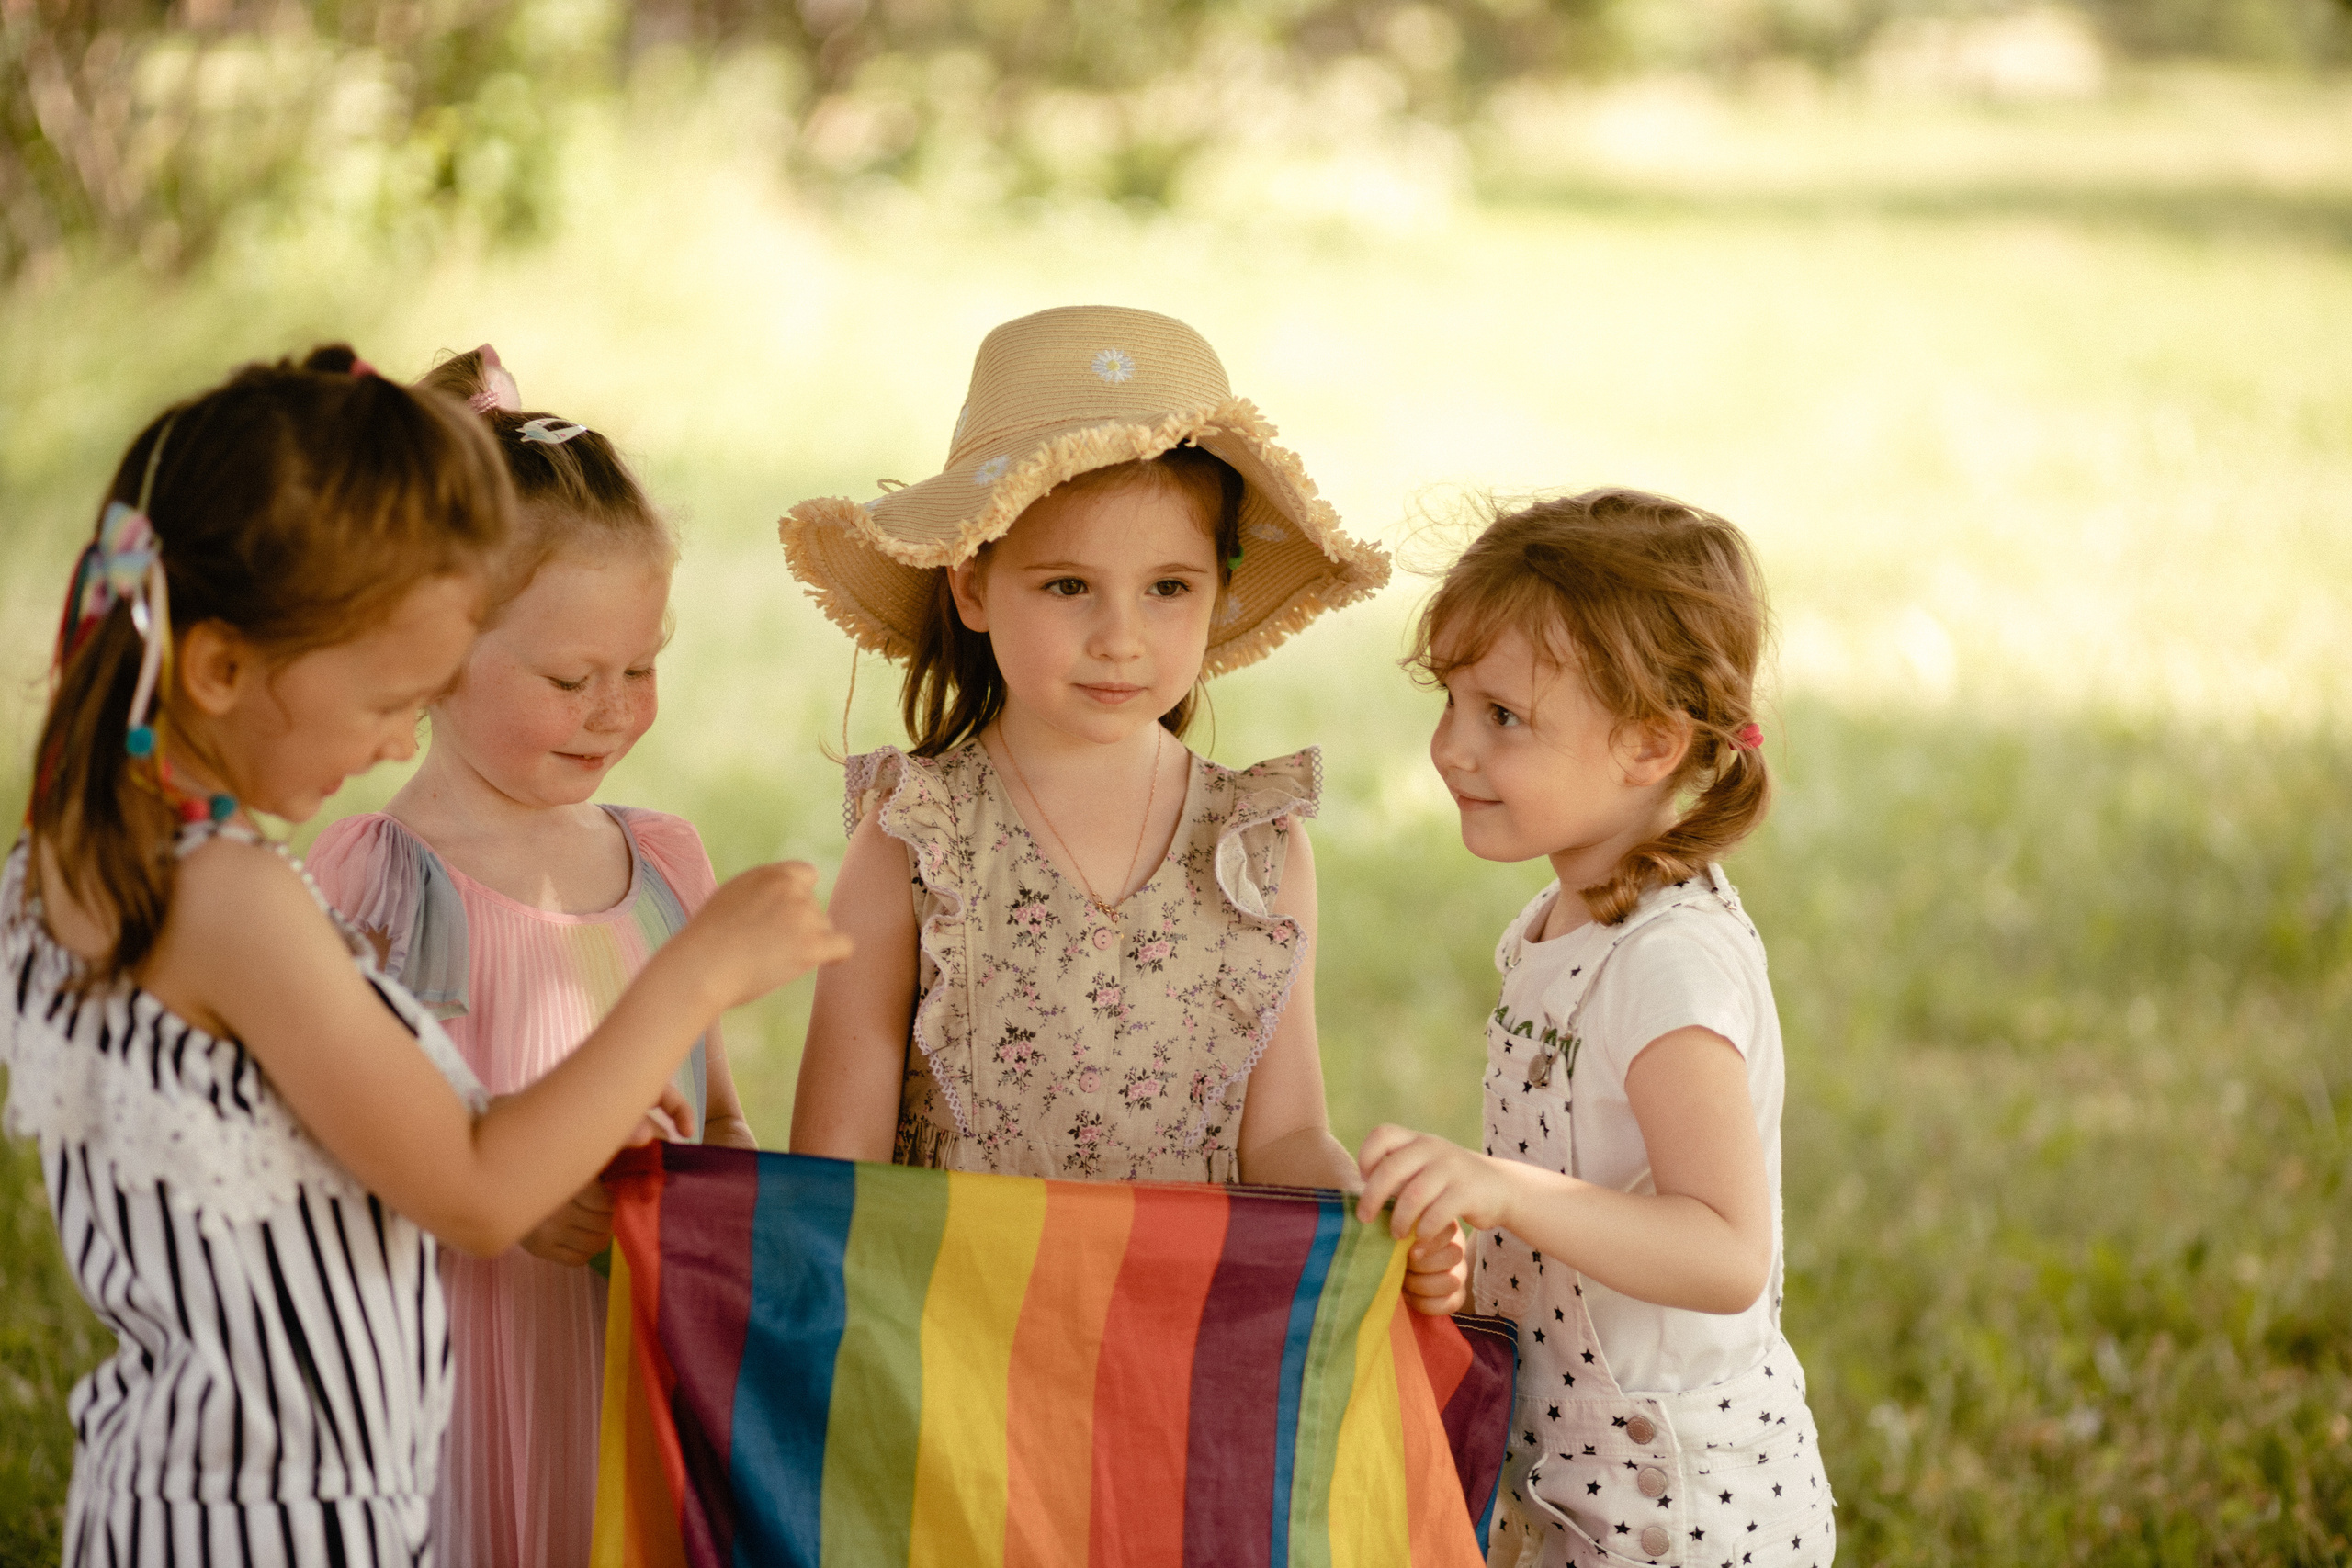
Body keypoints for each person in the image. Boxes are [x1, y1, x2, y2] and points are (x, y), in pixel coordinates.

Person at [0, 347, 846, 1568]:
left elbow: (342, 1129)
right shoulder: (234, 899)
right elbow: (475, 1185)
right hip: (283, 1525)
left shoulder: (64, 861)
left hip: (174, 1492)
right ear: (224, 665)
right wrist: (695, 973)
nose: (403, 733)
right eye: (389, 695)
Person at [784, 305, 1406, 1202]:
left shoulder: (1256, 850)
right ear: (971, 586)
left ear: (1217, 592)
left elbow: (1286, 1136)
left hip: (1180, 1321)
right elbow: (835, 1161)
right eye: (1069, 585)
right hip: (954, 1319)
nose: (1120, 638)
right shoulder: (917, 837)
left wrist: (1360, 1214)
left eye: (1166, 588)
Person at [304, 345, 751, 1567]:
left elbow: (723, 1118)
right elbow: (311, 1149)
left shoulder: (664, 866)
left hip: (630, 1358)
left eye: (643, 668)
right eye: (572, 677)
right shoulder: (379, 878)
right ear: (438, 652)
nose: (616, 708)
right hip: (461, 1371)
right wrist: (510, 1180)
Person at [1353, 490, 1834, 1566]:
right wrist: (1464, 1253)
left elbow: (1723, 1251)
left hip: (1687, 1519)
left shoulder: (1668, 962)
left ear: (1651, 743)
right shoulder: (1560, 925)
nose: (1449, 750)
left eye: (1503, 717)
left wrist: (1502, 1187)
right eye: (1451, 701)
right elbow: (1585, 1199)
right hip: (1573, 1491)